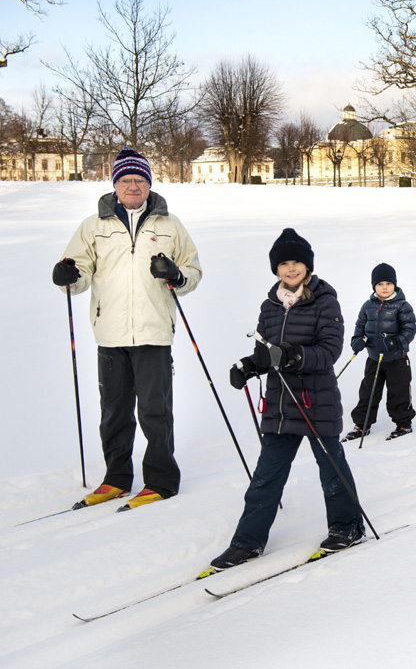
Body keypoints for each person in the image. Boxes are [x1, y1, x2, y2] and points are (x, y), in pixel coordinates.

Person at [53, 148, 202, 510]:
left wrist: (176, 275)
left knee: (155, 410)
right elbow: (78, 271)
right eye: (126, 180)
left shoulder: (170, 225)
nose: (133, 186)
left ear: (149, 185)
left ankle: (161, 480)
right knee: (114, 410)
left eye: (139, 180)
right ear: (115, 185)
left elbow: (192, 273)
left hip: (154, 330)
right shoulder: (94, 225)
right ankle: (116, 478)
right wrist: (67, 278)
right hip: (110, 332)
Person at [211, 229, 365, 571]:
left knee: (331, 468)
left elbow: (329, 351)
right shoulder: (269, 307)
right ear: (276, 269)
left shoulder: (325, 301)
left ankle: (347, 526)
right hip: (280, 405)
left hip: (316, 401)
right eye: (284, 263)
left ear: (307, 267)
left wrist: (294, 356)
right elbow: (265, 353)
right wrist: (249, 366)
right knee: (266, 476)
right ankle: (247, 542)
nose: (291, 268)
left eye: (297, 262)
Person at [343, 263, 416, 442]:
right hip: (374, 358)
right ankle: (362, 424)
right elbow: (359, 326)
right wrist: (357, 340)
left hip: (396, 359)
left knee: (398, 392)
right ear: (374, 286)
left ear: (395, 285)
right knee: (368, 392)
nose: (384, 287)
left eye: (388, 284)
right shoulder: (368, 305)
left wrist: (395, 342)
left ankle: (403, 423)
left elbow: (410, 329)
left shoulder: (402, 306)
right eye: (380, 284)